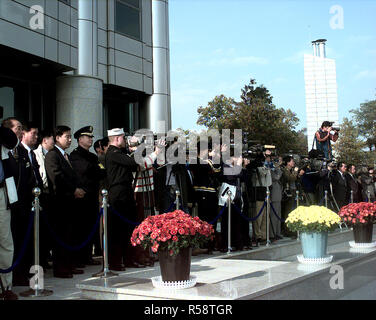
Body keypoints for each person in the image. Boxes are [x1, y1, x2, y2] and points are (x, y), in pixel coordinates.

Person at [105, 128, 163, 270]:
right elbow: (137, 164)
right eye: (124, 138)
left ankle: (129, 259)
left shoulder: (119, 153)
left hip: (125, 193)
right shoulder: (113, 153)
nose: (125, 141)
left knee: (128, 229)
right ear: (117, 139)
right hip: (118, 194)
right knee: (118, 231)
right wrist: (155, 153)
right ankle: (115, 263)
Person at [2, 121, 42, 286]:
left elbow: (30, 177)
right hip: (8, 203)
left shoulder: (22, 152)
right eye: (17, 128)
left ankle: (19, 277)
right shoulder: (6, 150)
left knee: (19, 242)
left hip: (23, 205)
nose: (20, 131)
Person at [45, 126, 86, 278]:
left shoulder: (65, 155)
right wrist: (73, 190)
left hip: (70, 203)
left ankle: (69, 264)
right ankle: (61, 268)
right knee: (61, 236)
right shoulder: (52, 155)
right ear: (57, 137)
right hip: (60, 203)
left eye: (70, 137)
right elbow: (57, 178)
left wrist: (79, 188)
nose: (69, 140)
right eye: (66, 137)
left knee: (70, 235)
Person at [69, 126, 103, 267]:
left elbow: (101, 172)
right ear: (80, 139)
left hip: (92, 197)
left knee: (91, 228)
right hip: (81, 198)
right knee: (80, 229)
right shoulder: (75, 155)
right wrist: (95, 169)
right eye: (87, 137)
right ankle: (79, 258)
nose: (90, 139)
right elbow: (87, 170)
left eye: (91, 137)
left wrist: (95, 170)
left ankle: (88, 256)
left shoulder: (93, 157)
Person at [0, 126, 19, 300]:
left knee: (5, 241)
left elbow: (12, 141)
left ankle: (6, 286)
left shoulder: (3, 136)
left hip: (1, 192)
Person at [33, 129, 55, 270]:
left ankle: (45, 257)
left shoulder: (51, 154)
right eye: (52, 138)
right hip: (41, 195)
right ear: (45, 140)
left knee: (48, 230)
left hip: (50, 195)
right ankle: (40, 259)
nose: (54, 141)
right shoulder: (36, 154)